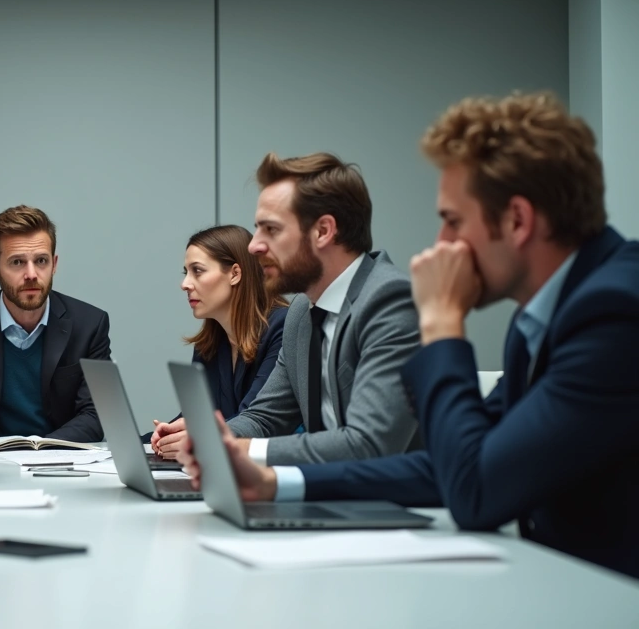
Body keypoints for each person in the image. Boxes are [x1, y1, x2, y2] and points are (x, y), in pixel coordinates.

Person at [179, 92, 639, 579]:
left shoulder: (613, 312)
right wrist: (273, 485)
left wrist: (442, 325)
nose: (440, 244)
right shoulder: (549, 314)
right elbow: (448, 465)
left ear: (518, 221)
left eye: (452, 221)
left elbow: (474, 489)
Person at [155, 152, 422, 465]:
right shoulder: (302, 313)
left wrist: (234, 449)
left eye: (271, 229)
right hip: (330, 494)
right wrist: (212, 438)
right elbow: (264, 418)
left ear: (323, 231)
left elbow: (369, 445)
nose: (255, 246)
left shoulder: (390, 300)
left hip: (395, 504)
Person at [0, 205, 113, 446]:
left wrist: (42, 450)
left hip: (62, 460)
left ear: (54, 264)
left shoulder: (90, 325)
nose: (31, 274)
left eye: (41, 261)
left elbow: (96, 415)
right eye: (17, 262)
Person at [145, 225, 287, 445]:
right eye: (186, 272)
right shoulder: (209, 343)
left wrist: (195, 438)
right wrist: (162, 438)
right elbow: (197, 418)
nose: (185, 284)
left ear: (235, 274)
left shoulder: (282, 326)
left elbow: (254, 419)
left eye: (198, 271)